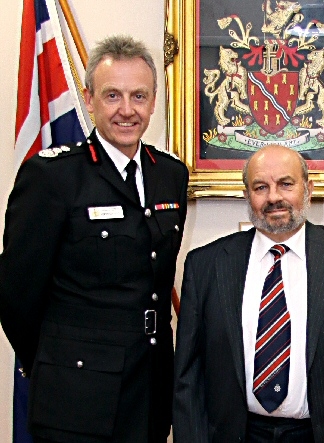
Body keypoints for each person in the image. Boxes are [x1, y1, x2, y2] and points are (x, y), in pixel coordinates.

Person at [0, 35, 188, 443]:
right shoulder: (52, 177)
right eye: (112, 95)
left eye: (139, 96)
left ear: (154, 101)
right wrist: (58, 360)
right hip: (77, 395)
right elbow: (17, 294)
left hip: (151, 384)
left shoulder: (169, 175)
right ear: (89, 100)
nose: (127, 110)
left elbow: (155, 282)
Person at [173, 144, 324, 442]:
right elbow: (187, 378)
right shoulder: (205, 265)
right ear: (246, 195)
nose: (274, 197)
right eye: (260, 187)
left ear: (308, 189)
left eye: (286, 184)